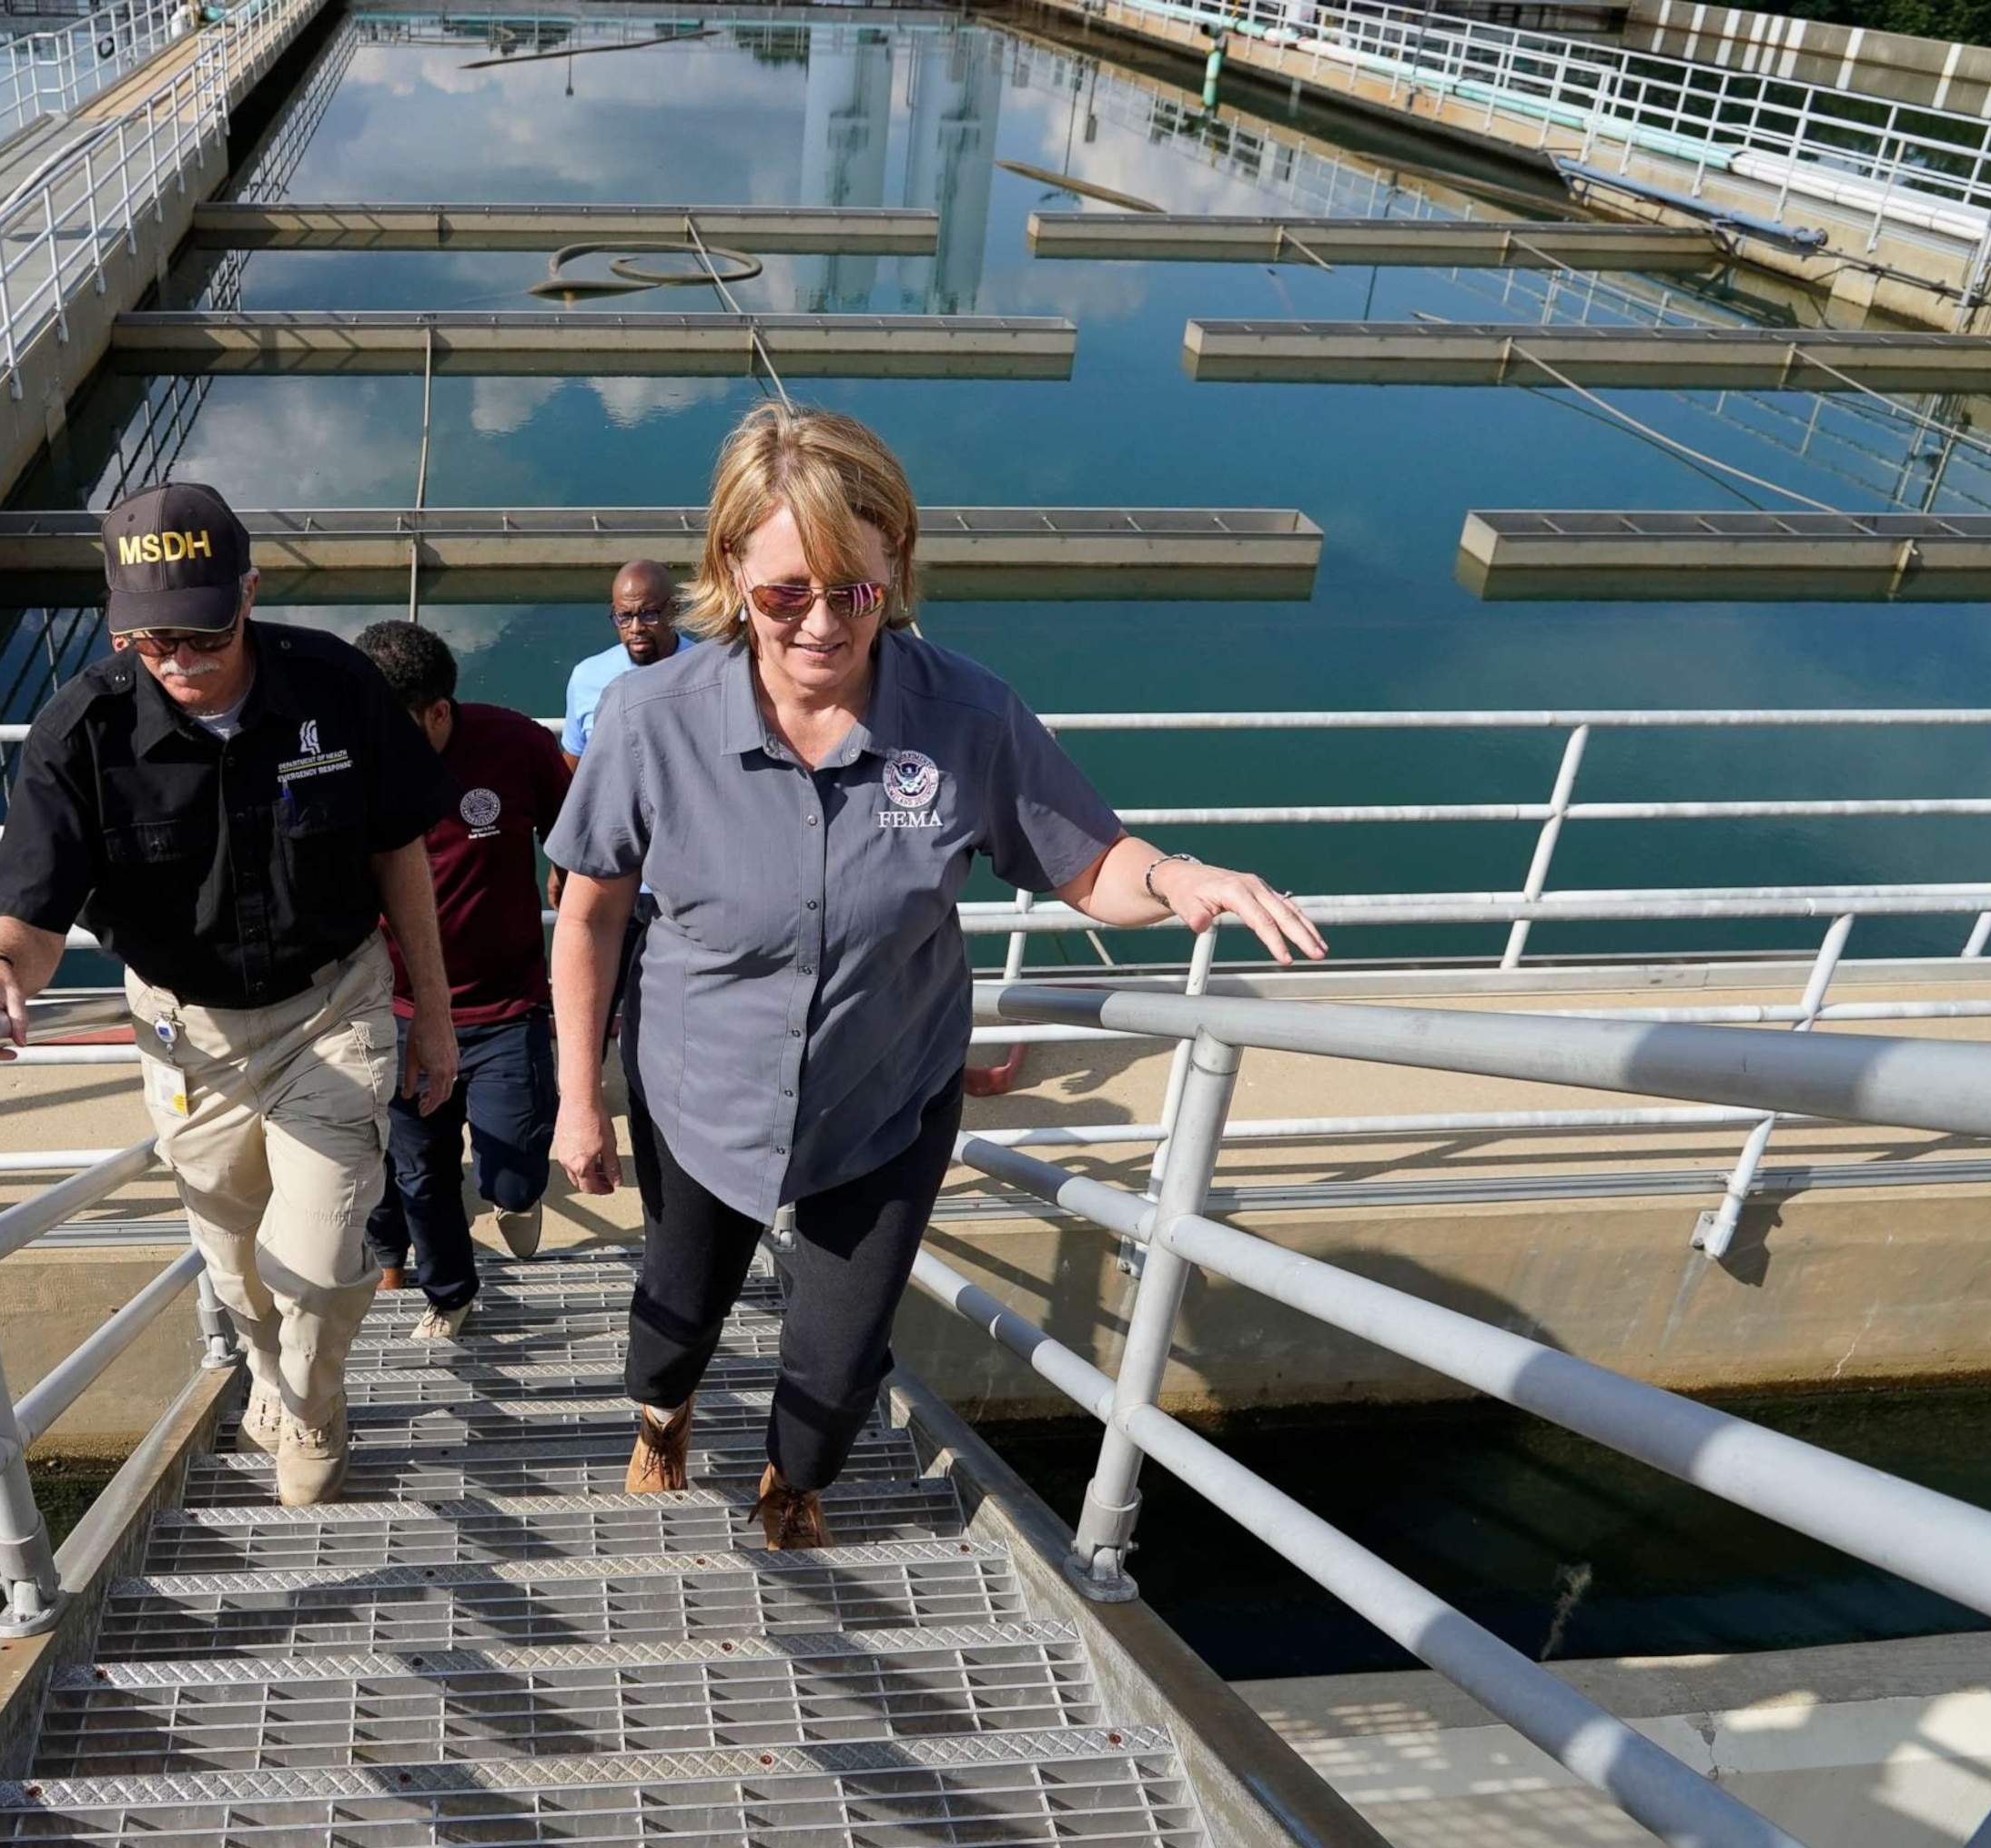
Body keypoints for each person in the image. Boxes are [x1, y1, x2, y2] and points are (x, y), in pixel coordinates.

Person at [544, 403, 1325, 1552]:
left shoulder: (965, 714)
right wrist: (577, 1093)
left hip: (886, 1089)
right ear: (728, 574)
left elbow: (1087, 859)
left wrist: (1180, 874)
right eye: (783, 594)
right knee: (677, 1306)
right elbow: (590, 910)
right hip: (699, 1088)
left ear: (895, 567)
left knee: (841, 1347)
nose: (821, 624)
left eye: (854, 591)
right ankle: (662, 1416)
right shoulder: (649, 719)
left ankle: (791, 1489)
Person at [0, 482, 460, 1509]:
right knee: (237, 1274)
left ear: (249, 595)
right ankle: (273, 1379)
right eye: (151, 640)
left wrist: (434, 1017)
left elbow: (398, 846)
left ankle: (312, 1404)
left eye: (203, 633)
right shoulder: (82, 730)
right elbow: (30, 911)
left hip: (332, 1004)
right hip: (189, 1036)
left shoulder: (335, 685)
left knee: (315, 1257)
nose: (179, 660)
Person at [354, 620, 573, 1338]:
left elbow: (581, 829)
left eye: (400, 728)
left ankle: (517, 1196)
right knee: (421, 1175)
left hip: (504, 1006)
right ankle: (450, 1297)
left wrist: (563, 881)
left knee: (511, 1174)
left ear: (440, 712)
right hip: (402, 1010)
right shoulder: (355, 760)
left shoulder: (515, 745)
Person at [558, 559, 689, 773]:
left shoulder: (713, 671)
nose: (635, 628)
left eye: (649, 614)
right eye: (625, 616)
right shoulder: (587, 676)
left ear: (674, 610)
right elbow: (573, 765)